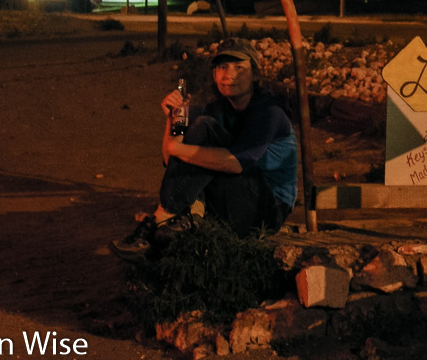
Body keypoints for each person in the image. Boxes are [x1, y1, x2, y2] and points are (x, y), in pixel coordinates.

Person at [111, 39, 298, 260]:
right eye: (222, 67)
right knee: (200, 126)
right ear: (214, 75)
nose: (229, 74)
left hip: (266, 209)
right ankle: (188, 217)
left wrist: (178, 148)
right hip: (234, 196)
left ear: (255, 76)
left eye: (239, 68)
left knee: (203, 129)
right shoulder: (218, 108)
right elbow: (169, 157)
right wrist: (174, 119)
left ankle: (160, 219)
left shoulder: (269, 112)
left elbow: (235, 162)